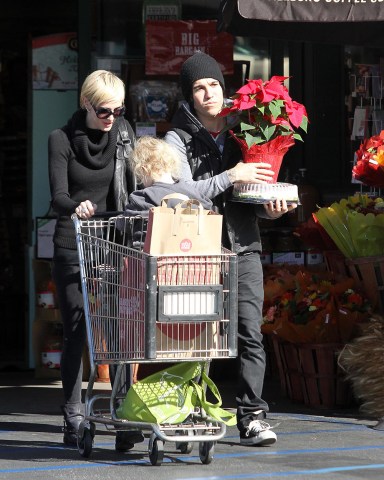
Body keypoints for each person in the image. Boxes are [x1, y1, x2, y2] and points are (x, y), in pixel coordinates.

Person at [165, 52, 298, 446]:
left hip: (244, 248)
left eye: (213, 85)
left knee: (249, 333)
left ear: (224, 88)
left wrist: (273, 211)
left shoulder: (248, 132)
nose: (208, 92)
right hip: (197, 252)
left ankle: (252, 417)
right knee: (195, 334)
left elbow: (255, 195)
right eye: (198, 87)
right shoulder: (177, 139)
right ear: (189, 97)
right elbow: (179, 191)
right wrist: (230, 175)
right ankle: (191, 410)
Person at [48, 69, 143, 451]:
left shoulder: (124, 133)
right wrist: (76, 206)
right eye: (104, 110)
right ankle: (72, 415)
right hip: (74, 242)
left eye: (118, 110)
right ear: (86, 103)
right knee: (75, 332)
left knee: (121, 334)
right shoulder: (61, 139)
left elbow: (137, 182)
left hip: (115, 242)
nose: (111, 118)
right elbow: (57, 196)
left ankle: (124, 414)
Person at [124, 135, 213, 216]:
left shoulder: (144, 197)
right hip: (191, 232)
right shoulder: (194, 193)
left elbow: (127, 222)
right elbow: (207, 208)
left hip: (159, 234)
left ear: (144, 170)